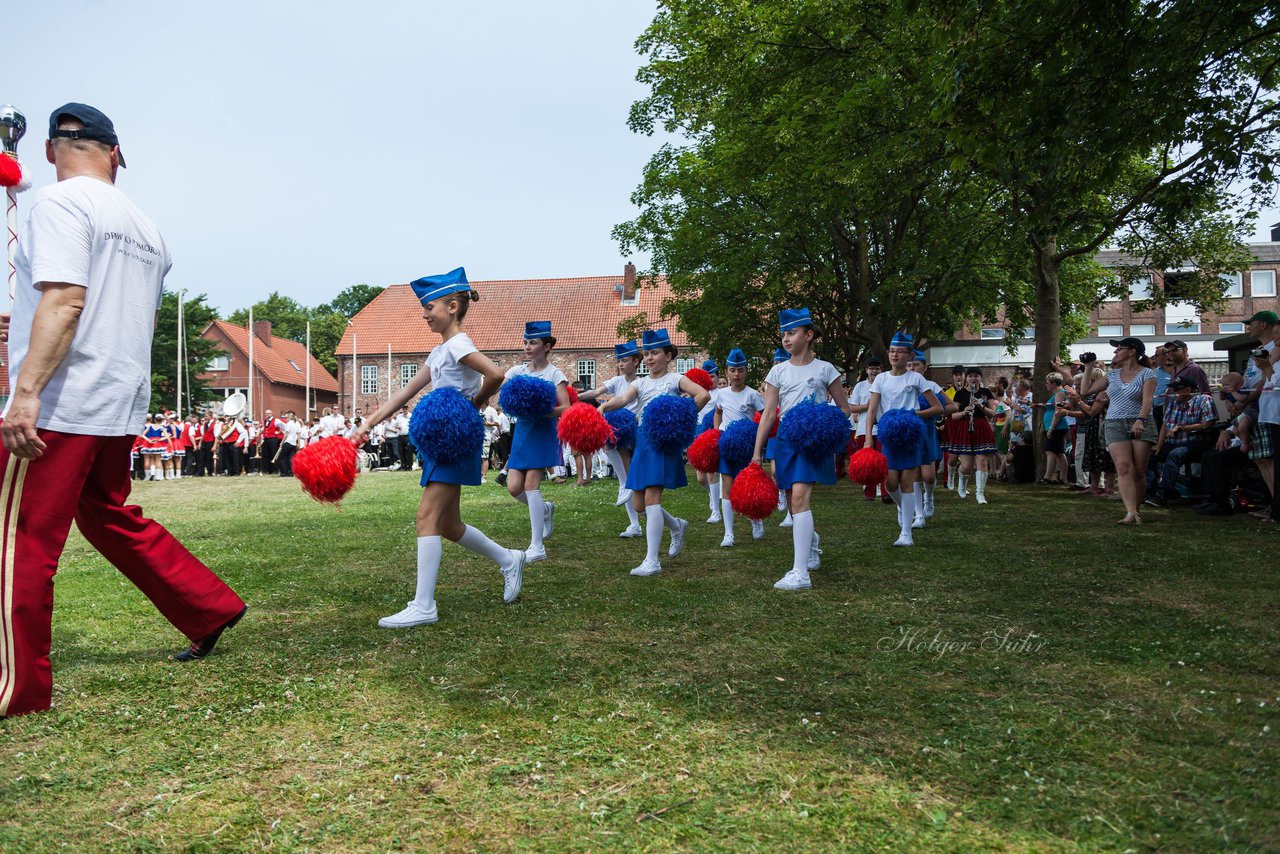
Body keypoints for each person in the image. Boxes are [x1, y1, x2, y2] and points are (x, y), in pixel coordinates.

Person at [0, 103, 248, 716]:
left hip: (63, 397)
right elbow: (141, 317)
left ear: (52, 151)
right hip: (117, 396)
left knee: (20, 540)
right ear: (117, 155)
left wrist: (24, 392)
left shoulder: (58, 204)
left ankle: (17, 688)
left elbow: (65, 299)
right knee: (106, 513)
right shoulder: (145, 225)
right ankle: (206, 605)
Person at [353, 268, 525, 628]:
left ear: (452, 306)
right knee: (448, 524)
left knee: (425, 518)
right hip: (444, 441)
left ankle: (424, 605)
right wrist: (367, 425)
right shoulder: (439, 351)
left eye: (429, 307)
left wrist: (472, 405)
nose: (425, 314)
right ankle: (509, 559)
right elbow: (405, 393)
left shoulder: (459, 344)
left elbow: (494, 375)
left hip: (455, 439)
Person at [601, 329, 710, 577]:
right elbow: (623, 399)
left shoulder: (676, 379)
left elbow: (703, 395)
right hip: (643, 441)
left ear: (668, 355)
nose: (650, 358)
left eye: (655, 353)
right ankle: (677, 525)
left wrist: (682, 417)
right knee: (639, 505)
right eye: (647, 353)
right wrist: (605, 406)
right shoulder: (639, 382)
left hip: (662, 444)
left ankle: (652, 560)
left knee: (652, 499)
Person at [751, 315, 849, 589]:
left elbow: (844, 408)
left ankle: (800, 572)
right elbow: (769, 413)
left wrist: (825, 428)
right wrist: (757, 452)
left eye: (792, 332)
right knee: (793, 502)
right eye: (783, 334)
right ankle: (813, 542)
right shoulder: (778, 372)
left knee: (800, 498)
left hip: (812, 443)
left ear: (808, 335)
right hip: (785, 440)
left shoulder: (826, 369)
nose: (785, 338)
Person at [865, 332, 945, 547]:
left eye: (900, 351)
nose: (895, 355)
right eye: (892, 351)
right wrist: (868, 440)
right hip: (889, 436)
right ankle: (903, 507)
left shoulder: (916, 378)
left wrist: (912, 415)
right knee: (891, 483)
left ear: (909, 355)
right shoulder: (881, 379)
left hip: (911, 435)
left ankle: (906, 533)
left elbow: (937, 407)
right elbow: (872, 410)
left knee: (907, 481)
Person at [501, 321, 571, 564]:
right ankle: (545, 509)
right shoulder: (518, 372)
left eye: (533, 343)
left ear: (547, 346)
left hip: (543, 430)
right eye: (526, 342)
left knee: (531, 485)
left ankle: (536, 546)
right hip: (522, 431)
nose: (528, 347)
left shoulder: (554, 374)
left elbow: (565, 407)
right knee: (513, 488)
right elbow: (501, 386)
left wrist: (543, 410)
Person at [1083, 336, 1157, 524]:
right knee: (1123, 467)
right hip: (1114, 422)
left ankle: (1136, 509)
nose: (1115, 352)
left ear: (1132, 351)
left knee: (1138, 471)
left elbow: (1148, 400)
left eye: (1119, 348)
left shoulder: (1147, 374)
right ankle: (1130, 512)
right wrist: (1089, 367)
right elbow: (1085, 391)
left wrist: (1140, 420)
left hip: (1141, 422)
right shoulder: (1112, 375)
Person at [578, 341, 644, 537]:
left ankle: (625, 485)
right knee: (610, 442)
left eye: (625, 360)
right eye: (619, 361)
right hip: (617, 428)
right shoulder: (617, 380)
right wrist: (575, 396)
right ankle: (634, 524)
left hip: (634, 428)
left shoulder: (640, 382)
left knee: (630, 474)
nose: (621, 364)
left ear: (636, 361)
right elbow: (597, 392)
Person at [713, 348, 766, 546]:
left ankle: (756, 519)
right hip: (726, 443)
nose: (736, 375)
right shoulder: (721, 394)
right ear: (727, 372)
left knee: (749, 485)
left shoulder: (752, 395)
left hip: (747, 446)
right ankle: (728, 533)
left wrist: (757, 437)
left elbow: (764, 417)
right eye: (733, 370)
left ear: (746, 372)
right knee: (727, 486)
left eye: (741, 370)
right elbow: (718, 413)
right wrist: (717, 431)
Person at [1146, 376, 1217, 506]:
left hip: (1196, 443)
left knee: (1175, 455)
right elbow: (1165, 425)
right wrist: (1159, 445)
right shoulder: (1173, 402)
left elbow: (1208, 423)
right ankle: (1149, 490)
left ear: (1188, 390)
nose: (1173, 393)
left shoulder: (1204, 400)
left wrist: (1182, 428)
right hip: (1173, 443)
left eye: (1177, 390)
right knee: (1151, 456)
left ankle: (1163, 494)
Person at [943, 366, 998, 504]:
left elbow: (992, 413)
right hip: (964, 427)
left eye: (976, 376)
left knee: (982, 461)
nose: (973, 378)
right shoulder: (960, 394)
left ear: (980, 378)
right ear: (966, 378)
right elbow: (953, 416)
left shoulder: (986, 392)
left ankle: (980, 494)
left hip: (981, 427)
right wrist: (963, 412)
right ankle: (962, 481)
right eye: (971, 376)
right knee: (966, 466)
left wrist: (981, 407)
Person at [909, 351, 953, 520]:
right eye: (910, 364)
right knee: (914, 474)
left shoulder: (931, 385)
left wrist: (931, 413)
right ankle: (918, 512)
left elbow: (951, 407)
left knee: (929, 475)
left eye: (916, 364)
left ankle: (929, 497)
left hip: (927, 431)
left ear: (925, 367)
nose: (912, 367)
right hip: (910, 432)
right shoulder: (903, 383)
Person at [848, 358, 888, 501]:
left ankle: (885, 492)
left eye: (877, 368)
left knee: (884, 460)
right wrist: (867, 406)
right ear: (866, 371)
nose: (874, 371)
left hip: (882, 428)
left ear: (881, 370)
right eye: (871, 369)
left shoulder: (886, 384)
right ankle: (869, 492)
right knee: (867, 463)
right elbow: (852, 407)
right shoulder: (860, 386)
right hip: (865, 430)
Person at [695, 359, 723, 523]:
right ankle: (713, 494)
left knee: (712, 472)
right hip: (698, 433)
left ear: (717, 377)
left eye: (712, 376)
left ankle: (715, 511)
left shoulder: (721, 394)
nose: (709, 380)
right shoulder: (698, 392)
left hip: (713, 433)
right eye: (706, 376)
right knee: (700, 478)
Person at [1041, 372, 1071, 484]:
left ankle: (1047, 477)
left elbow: (1058, 412)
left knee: (1050, 451)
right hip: (1056, 426)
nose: (1046, 385)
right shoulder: (1058, 394)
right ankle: (1063, 477)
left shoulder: (1060, 393)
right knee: (1058, 452)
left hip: (1057, 426)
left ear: (1054, 383)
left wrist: (1051, 428)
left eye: (1048, 382)